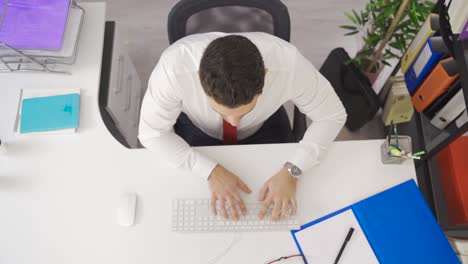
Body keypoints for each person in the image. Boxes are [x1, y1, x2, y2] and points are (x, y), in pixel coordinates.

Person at [139, 33, 347, 221]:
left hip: (264, 127)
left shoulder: (288, 64)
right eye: (222, 112)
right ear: (199, 80)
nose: (233, 122)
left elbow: (332, 115)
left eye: (244, 112)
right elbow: (151, 133)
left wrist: (293, 169)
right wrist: (209, 170)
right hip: (198, 129)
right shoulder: (173, 69)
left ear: (265, 75)